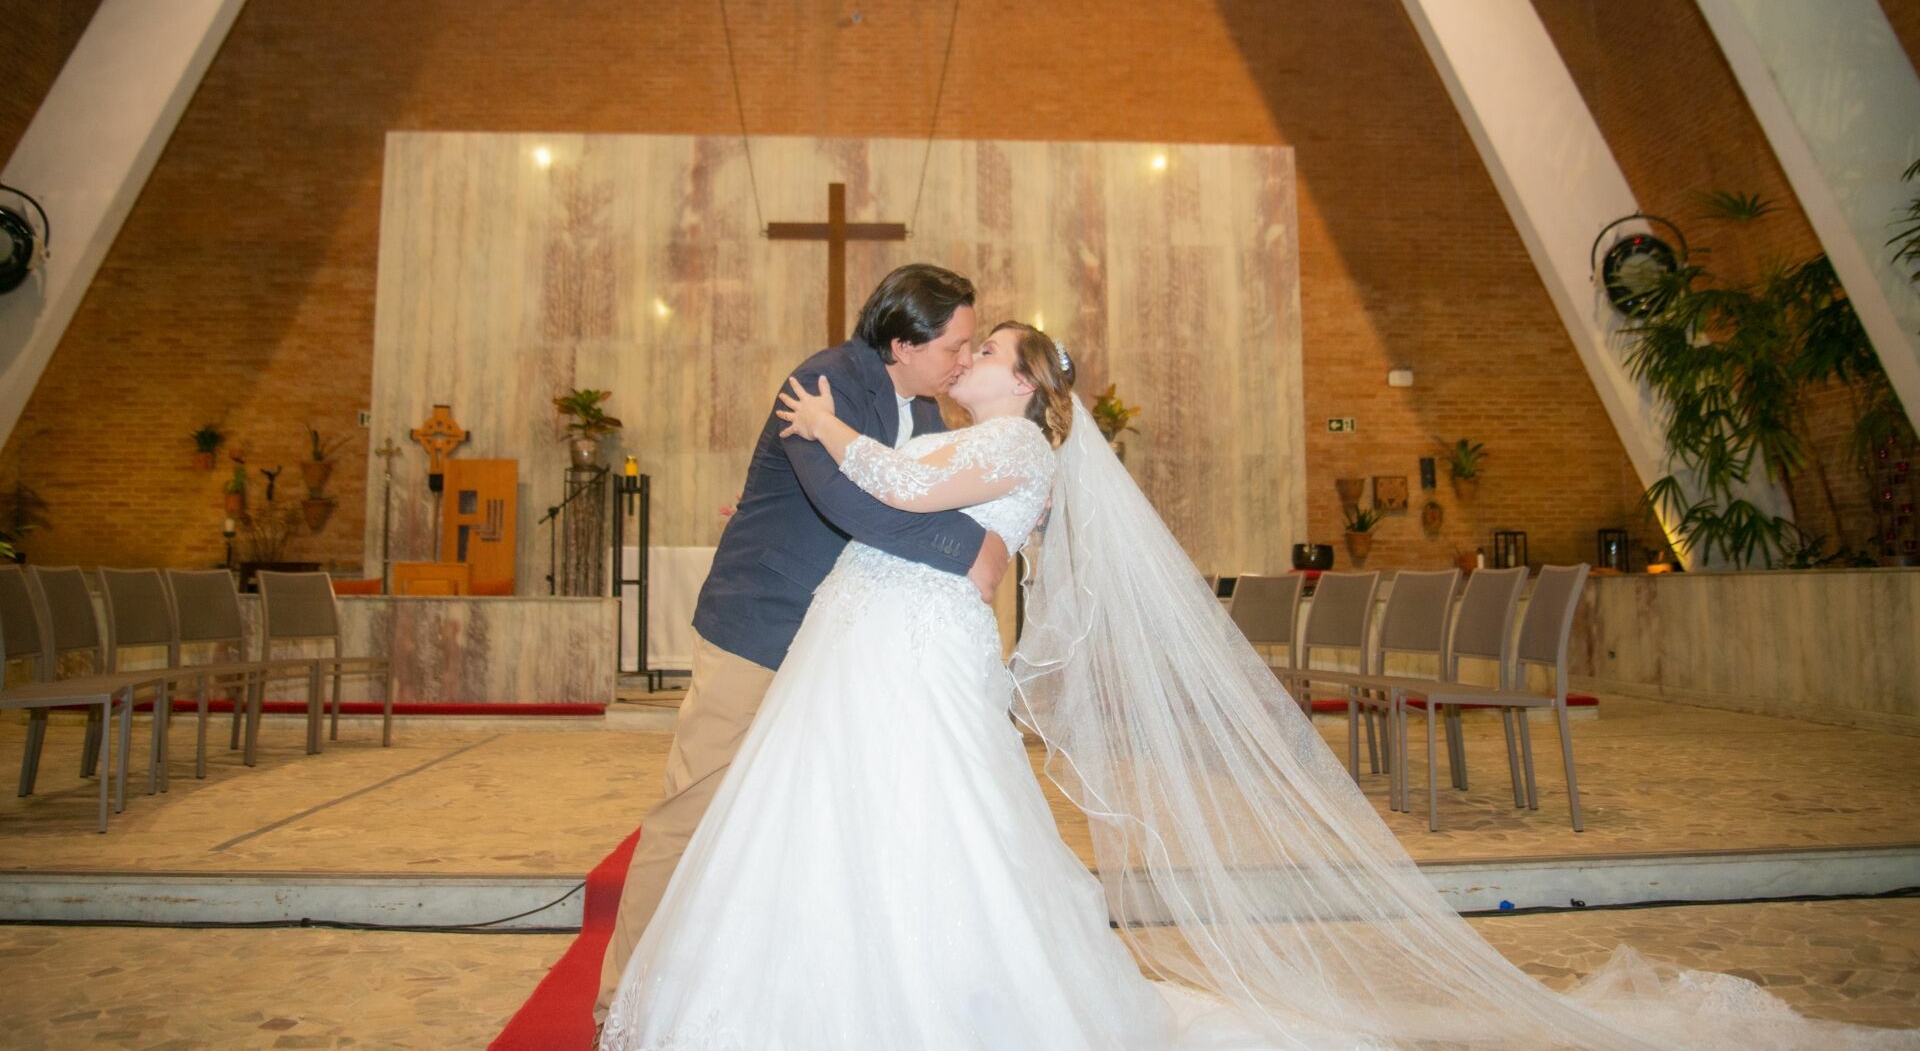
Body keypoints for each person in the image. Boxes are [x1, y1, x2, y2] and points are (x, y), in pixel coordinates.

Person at [602, 318, 1917, 1051]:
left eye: (989, 345)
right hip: (902, 648)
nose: (971, 355)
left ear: (1025, 380)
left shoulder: (1003, 437)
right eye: (969, 341)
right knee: (916, 831)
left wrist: (833, 432)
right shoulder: (1006, 438)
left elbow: (904, 491)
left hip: (919, 645)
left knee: (939, 833)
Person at [591, 264, 1012, 1030]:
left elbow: (932, 486)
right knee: (695, 808)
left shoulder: (927, 408)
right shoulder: (822, 385)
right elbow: (856, 504)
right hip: (764, 625)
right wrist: (973, 549)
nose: (964, 358)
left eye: (973, 345)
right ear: (901, 343)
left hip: (843, 651)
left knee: (804, 822)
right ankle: (624, 1000)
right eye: (955, 344)